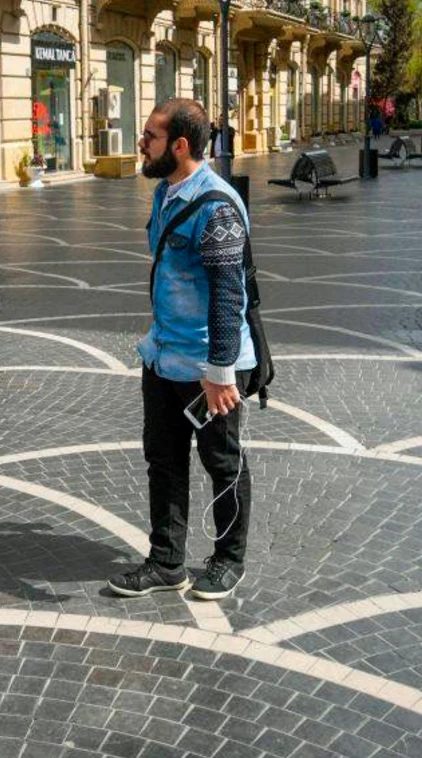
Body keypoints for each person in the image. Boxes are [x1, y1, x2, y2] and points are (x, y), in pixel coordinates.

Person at [108, 98, 255, 602]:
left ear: (180, 145)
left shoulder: (216, 207)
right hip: (164, 356)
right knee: (164, 460)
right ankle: (167, 561)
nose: (141, 144)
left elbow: (228, 294)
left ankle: (228, 559)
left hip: (209, 367)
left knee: (223, 462)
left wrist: (220, 370)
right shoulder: (166, 194)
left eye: (150, 136)